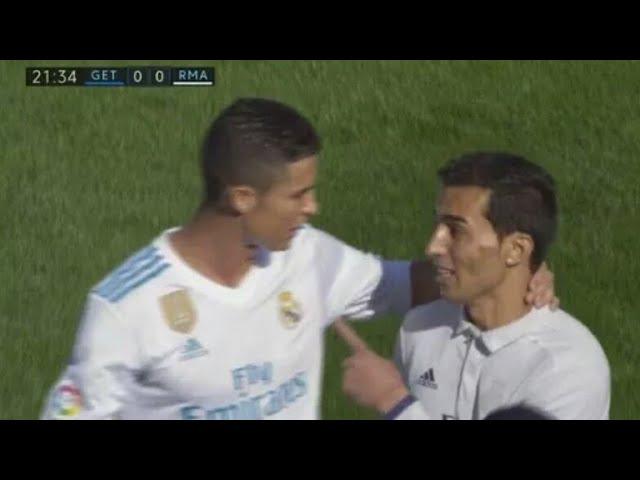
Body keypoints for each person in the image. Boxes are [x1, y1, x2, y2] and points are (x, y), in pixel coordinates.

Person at [41, 101, 556, 420]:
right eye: (299, 195)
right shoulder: (127, 308)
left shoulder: (308, 255)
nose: (312, 208)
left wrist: (512, 272)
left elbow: (405, 284)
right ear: (242, 197)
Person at [335, 152, 610, 420]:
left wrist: (394, 402)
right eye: (438, 225)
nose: (432, 247)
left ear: (516, 249)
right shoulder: (419, 328)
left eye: (455, 231)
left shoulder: (567, 367)